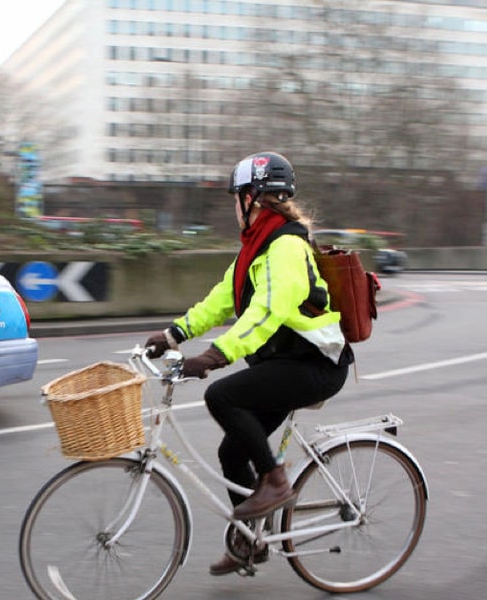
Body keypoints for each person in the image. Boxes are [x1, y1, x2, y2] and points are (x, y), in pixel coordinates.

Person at [143, 151, 353, 576]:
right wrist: (173, 335)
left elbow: (267, 312)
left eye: (236, 197)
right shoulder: (256, 249)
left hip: (316, 364)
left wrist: (214, 356)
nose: (234, 206)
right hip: (286, 362)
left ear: (252, 198)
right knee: (232, 451)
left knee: (222, 396)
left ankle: (275, 481)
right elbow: (221, 301)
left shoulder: (286, 247)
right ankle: (251, 543)